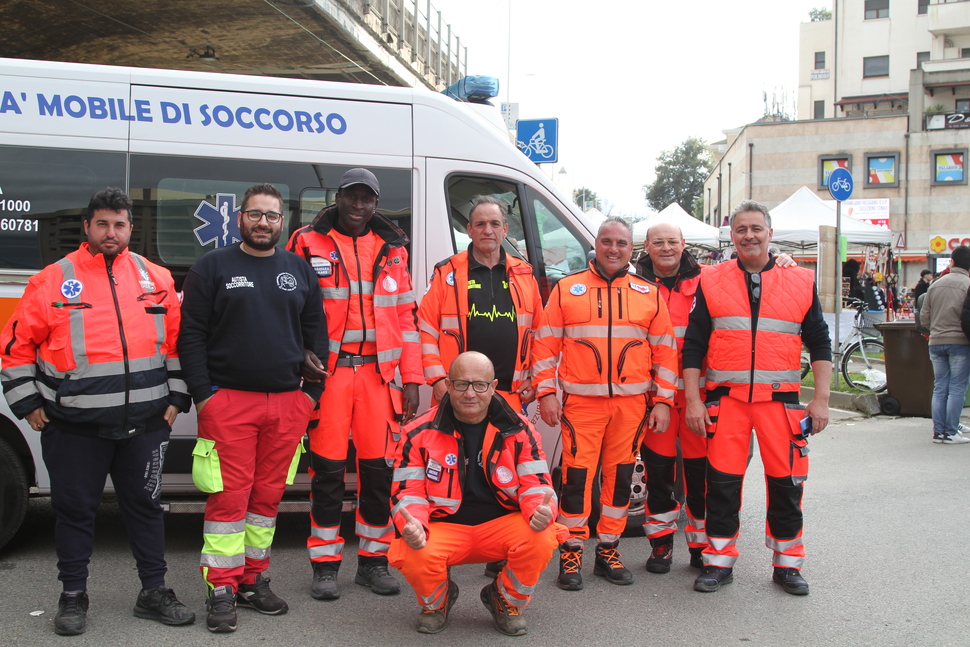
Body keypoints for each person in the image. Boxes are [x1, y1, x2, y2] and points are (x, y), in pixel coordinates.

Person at [0, 187, 193, 635]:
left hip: (144, 426)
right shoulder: (51, 279)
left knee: (145, 509)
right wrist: (28, 403)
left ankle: (153, 592)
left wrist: (176, 399)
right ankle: (72, 597)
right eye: (102, 223)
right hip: (74, 429)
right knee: (75, 513)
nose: (112, 232)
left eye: (120, 224)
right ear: (87, 226)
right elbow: (14, 348)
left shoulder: (155, 277)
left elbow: (177, 345)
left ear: (131, 228)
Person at [178, 183, 327, 632]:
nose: (264, 223)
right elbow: (191, 337)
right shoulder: (212, 266)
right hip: (229, 404)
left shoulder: (297, 269)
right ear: (240, 218)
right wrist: (204, 395)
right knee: (228, 500)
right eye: (256, 214)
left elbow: (316, 334)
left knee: (266, 501)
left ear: (283, 223)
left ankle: (252, 579)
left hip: (287, 405)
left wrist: (309, 396)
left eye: (273, 216)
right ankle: (220, 587)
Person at [683, 200, 832, 596]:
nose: (748, 235)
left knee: (787, 484)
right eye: (740, 229)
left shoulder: (800, 279)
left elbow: (819, 341)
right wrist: (695, 400)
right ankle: (717, 561)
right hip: (726, 400)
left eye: (756, 228)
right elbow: (694, 345)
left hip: (780, 403)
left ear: (769, 232)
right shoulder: (710, 278)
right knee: (722, 485)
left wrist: (820, 398)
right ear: (731, 236)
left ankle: (787, 565)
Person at [287, 168, 422, 600]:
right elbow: (287, 308)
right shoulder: (306, 241)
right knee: (326, 473)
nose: (359, 206)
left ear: (376, 204)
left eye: (367, 199)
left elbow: (407, 318)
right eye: (352, 197)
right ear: (338, 198)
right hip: (329, 376)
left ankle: (373, 561)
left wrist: (413, 377)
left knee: (378, 473)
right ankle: (325, 565)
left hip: (378, 376)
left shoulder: (393, 247)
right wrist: (297, 361)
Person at [533, 216, 679, 590]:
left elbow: (665, 353)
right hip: (581, 404)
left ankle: (608, 550)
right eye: (607, 241)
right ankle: (571, 550)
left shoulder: (648, 293)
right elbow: (545, 347)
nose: (613, 249)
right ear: (596, 244)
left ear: (632, 250)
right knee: (576, 480)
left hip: (632, 407)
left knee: (618, 481)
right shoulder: (567, 289)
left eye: (622, 243)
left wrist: (663, 401)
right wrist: (547, 393)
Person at [388, 352, 562, 636]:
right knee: (412, 548)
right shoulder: (417, 432)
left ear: (493, 387)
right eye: (461, 384)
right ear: (448, 384)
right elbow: (407, 492)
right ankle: (438, 602)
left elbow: (537, 484)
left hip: (500, 526)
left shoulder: (520, 429)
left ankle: (504, 599)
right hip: (444, 527)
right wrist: (413, 525)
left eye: (479, 385)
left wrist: (540, 510)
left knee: (542, 536)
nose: (470, 393)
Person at [419, 195, 543, 414]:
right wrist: (437, 379)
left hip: (509, 393)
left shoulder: (524, 273)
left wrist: (535, 378)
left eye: (494, 224)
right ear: (469, 230)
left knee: (507, 449)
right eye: (480, 224)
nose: (488, 230)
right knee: (454, 449)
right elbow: (425, 330)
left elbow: (541, 334)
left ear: (505, 230)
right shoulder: (446, 272)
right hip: (458, 393)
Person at [634, 222, 710, 573]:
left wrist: (781, 258)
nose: (666, 248)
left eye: (672, 242)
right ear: (646, 246)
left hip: (699, 397)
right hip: (655, 399)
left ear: (684, 244)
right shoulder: (633, 284)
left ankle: (700, 544)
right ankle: (661, 544)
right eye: (658, 242)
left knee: (701, 476)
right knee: (659, 475)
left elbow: (752, 270)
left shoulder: (709, 280)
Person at [925, 246, 970, 444]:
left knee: (940, 387)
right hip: (960, 341)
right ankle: (951, 431)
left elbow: (924, 316)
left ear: (951, 262)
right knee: (957, 387)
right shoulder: (967, 284)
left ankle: (938, 431)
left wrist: (934, 329)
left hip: (935, 341)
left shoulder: (935, 284)